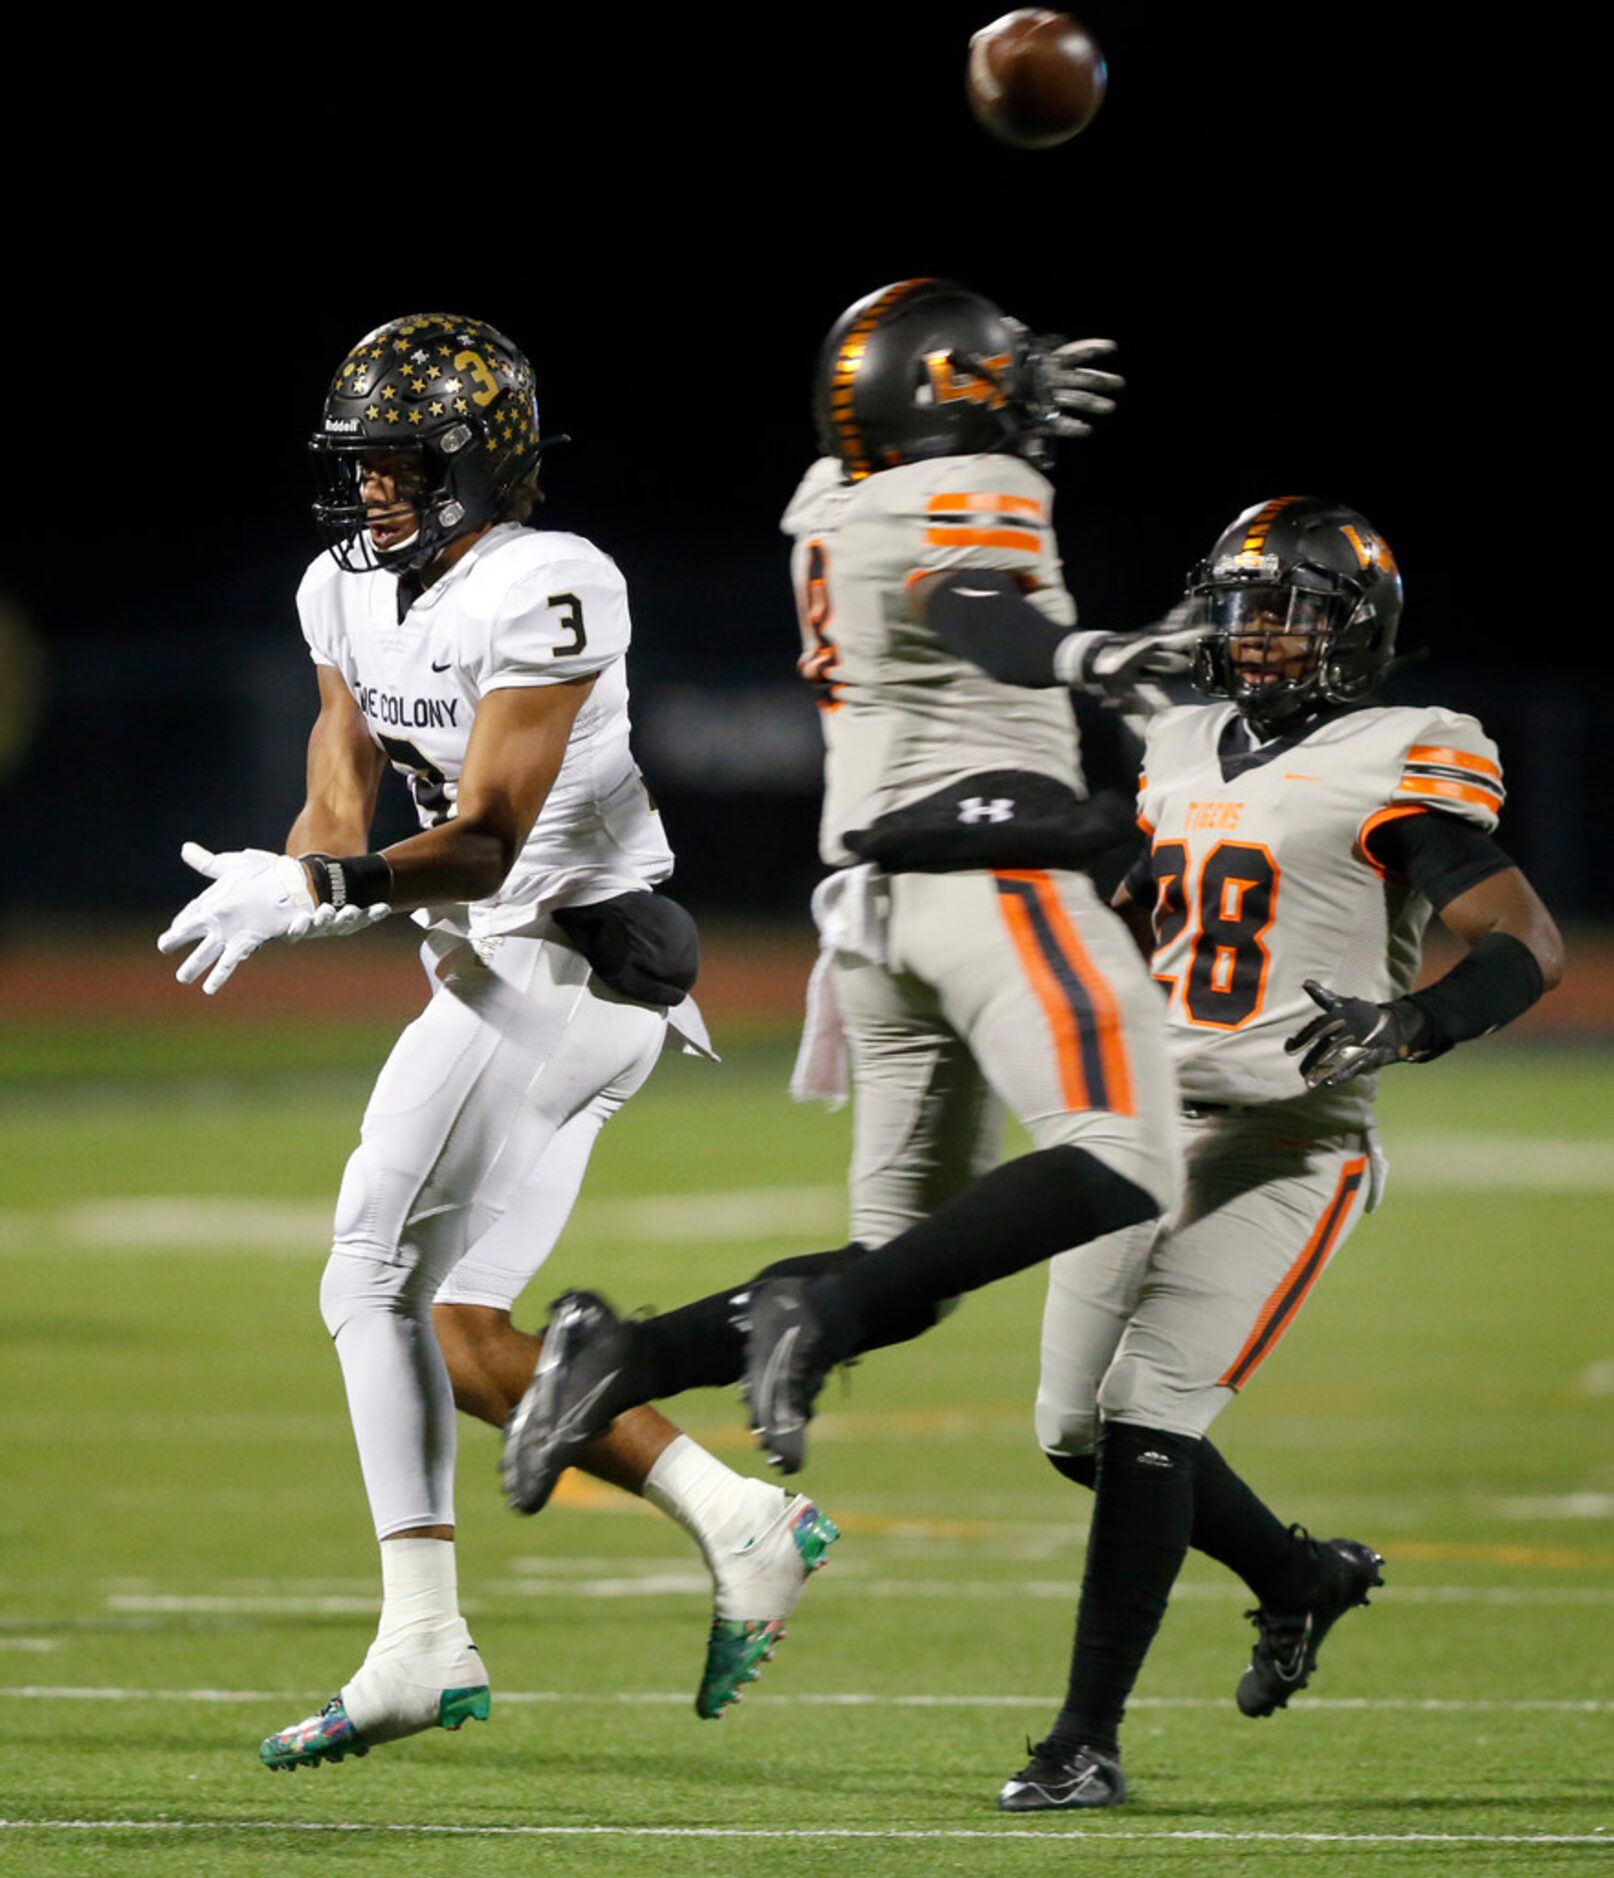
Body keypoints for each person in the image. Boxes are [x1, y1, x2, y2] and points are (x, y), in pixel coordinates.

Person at [157, 311, 837, 1769]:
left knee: (363, 1267)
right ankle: (743, 1519)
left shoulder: (550, 581)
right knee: (462, 1336)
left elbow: (486, 838)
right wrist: (299, 881)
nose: (372, 492)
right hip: (513, 977)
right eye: (360, 463)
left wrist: (333, 886)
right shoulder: (338, 589)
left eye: (402, 462)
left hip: (572, 966)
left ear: (483, 460)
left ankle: (420, 1641)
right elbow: (338, 797)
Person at [498, 277, 1201, 1513]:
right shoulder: (968, 494)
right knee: (1126, 1155)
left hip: (878, 917)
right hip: (994, 884)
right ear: (945, 402)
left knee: (903, 1274)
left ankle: (627, 1354)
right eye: (996, 384)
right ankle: (805, 1311)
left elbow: (937, 581)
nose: (1023, 411)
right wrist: (1088, 656)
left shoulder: (835, 504)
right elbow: (967, 601)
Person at [996, 495, 1564, 1811]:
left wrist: (1414, 1016)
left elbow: (1524, 937)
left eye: (1291, 611)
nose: (1258, 636)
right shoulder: (1182, 736)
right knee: (1072, 1429)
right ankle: (1298, 1579)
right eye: (1244, 607)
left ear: (1358, 628)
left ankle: (1082, 1740)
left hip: (1289, 1134)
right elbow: (1173, 902)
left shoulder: (1396, 754)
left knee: (1146, 1417)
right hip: (1139, 1121)